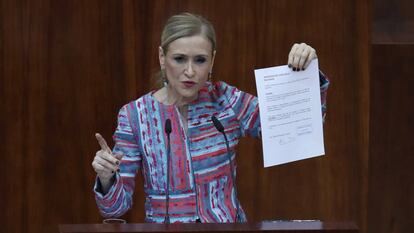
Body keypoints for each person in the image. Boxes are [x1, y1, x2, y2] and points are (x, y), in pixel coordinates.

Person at [92, 12, 329, 223]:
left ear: (212, 61)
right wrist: (106, 178)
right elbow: (114, 208)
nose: (190, 71)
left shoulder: (226, 100)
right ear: (162, 57)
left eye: (200, 60)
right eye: (179, 59)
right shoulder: (134, 116)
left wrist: (307, 73)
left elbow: (301, 127)